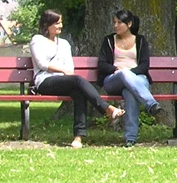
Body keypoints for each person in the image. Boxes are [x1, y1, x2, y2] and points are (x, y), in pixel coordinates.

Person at [30, 9, 123, 148]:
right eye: (56, 23)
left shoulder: (64, 44)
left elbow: (70, 67)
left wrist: (66, 73)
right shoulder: (37, 40)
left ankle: (78, 138)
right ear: (46, 24)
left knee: (79, 92)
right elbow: (42, 64)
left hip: (64, 81)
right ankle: (106, 108)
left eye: (61, 22)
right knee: (77, 80)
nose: (60, 26)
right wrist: (63, 71)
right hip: (44, 81)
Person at [98, 9, 161, 147]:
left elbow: (144, 65)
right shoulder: (109, 40)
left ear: (129, 24)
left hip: (137, 80)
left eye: (119, 22)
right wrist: (116, 69)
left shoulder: (140, 40)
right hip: (113, 80)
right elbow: (102, 64)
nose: (115, 25)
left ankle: (130, 138)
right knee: (123, 74)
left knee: (129, 91)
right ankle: (150, 103)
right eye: (114, 22)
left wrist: (130, 73)